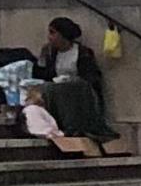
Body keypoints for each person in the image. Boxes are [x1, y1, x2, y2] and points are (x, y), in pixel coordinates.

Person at [36, 16, 119, 155]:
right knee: (47, 89)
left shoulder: (82, 53)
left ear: (63, 35)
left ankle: (72, 126)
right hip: (56, 89)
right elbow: (41, 75)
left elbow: (91, 78)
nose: (50, 37)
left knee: (65, 89)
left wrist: (72, 81)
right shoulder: (50, 53)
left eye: (53, 33)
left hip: (78, 91)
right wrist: (42, 61)